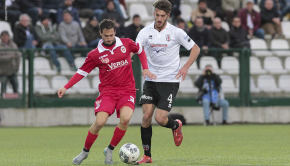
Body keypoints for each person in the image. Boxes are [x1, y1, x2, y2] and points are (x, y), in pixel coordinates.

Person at [57, 19, 156, 165]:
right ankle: (85, 152)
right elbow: (82, 72)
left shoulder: (126, 43)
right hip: (108, 92)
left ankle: (110, 149)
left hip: (127, 90)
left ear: (115, 32)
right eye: (106, 36)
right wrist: (66, 86)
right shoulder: (95, 54)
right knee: (100, 122)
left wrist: (145, 67)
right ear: (100, 34)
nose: (109, 38)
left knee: (126, 119)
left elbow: (140, 50)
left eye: (111, 35)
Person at [136, 0, 200, 163]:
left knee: (160, 118)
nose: (159, 18)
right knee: (146, 117)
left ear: (168, 16)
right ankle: (147, 155)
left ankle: (175, 125)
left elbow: (195, 48)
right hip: (150, 80)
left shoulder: (176, 32)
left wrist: (185, 67)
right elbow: (136, 50)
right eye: (157, 15)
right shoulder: (144, 32)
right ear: (154, 13)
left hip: (170, 81)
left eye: (162, 16)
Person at [0, 31, 21, 96]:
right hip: (3, 71)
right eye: (3, 36)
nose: (5, 37)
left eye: (7, 36)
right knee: (3, 86)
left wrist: (17, 67)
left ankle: (17, 101)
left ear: (9, 37)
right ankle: (3, 101)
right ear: (1, 37)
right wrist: (10, 57)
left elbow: (18, 56)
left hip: (13, 70)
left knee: (16, 85)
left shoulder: (14, 45)